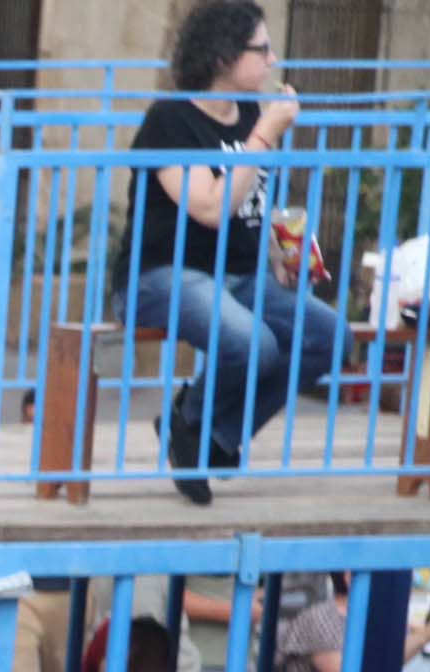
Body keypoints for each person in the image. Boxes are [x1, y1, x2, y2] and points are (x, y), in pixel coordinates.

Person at [122, 0, 338, 505]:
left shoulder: (249, 117)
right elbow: (211, 208)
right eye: (261, 49)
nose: (272, 59)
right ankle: (195, 429)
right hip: (164, 272)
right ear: (223, 57)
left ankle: (209, 433)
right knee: (253, 342)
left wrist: (284, 250)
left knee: (329, 336)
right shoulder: (170, 121)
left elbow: (250, 202)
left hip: (237, 273)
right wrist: (265, 135)